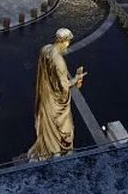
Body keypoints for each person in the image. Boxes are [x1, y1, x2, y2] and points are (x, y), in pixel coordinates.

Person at [27, 28, 86, 161]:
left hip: (46, 95)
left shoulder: (46, 49)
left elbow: (44, 71)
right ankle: (59, 152)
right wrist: (76, 79)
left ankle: (50, 149)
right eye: (68, 42)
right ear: (64, 42)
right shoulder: (59, 62)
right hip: (56, 102)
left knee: (48, 127)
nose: (68, 45)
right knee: (65, 127)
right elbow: (64, 86)